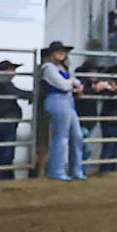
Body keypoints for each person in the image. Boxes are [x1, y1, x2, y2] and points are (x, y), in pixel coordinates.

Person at [39, 41, 86, 181]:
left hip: (66, 101)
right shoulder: (48, 68)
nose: (62, 54)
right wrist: (72, 85)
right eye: (59, 51)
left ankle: (75, 170)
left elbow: (72, 83)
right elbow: (64, 85)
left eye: (63, 52)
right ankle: (56, 170)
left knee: (76, 135)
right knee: (61, 137)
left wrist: (72, 84)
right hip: (57, 101)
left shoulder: (61, 68)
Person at [0, 60, 28, 180]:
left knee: (4, 149)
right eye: (11, 69)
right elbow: (17, 93)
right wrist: (33, 95)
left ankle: (2, 177)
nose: (13, 72)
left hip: (4, 119)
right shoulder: (4, 83)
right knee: (6, 151)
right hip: (7, 119)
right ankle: (1, 178)